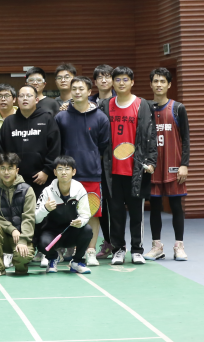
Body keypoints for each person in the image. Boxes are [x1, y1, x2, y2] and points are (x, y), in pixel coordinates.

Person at [97, 66, 157, 265]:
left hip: (136, 169)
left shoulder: (143, 105)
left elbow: (151, 136)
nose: (121, 83)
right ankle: (118, 249)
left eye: (125, 79)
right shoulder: (105, 105)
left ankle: (137, 250)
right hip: (111, 170)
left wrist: (151, 161)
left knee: (137, 212)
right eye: (117, 79)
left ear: (132, 82)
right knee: (115, 213)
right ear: (112, 83)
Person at [55, 76, 110, 266]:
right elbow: (57, 145)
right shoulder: (61, 117)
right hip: (66, 175)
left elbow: (103, 146)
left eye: (81, 89)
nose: (77, 92)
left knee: (92, 213)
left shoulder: (100, 117)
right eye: (74, 89)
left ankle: (90, 251)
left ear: (89, 92)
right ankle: (68, 247)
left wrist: (90, 158)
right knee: (65, 213)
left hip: (91, 174)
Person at [146, 67, 190, 261]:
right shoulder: (145, 109)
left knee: (175, 205)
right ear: (151, 84)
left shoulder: (178, 108)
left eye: (162, 81)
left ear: (169, 84)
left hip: (174, 165)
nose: (159, 85)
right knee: (154, 207)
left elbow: (186, 139)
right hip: (153, 166)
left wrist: (184, 164)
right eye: (155, 81)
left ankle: (179, 246)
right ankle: (157, 246)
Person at [0, 85, 61, 200]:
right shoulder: (9, 122)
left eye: (28, 96)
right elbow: (2, 150)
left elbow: (55, 147)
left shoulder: (47, 119)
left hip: (41, 178)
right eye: (21, 96)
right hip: (14, 179)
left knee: (42, 209)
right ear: (17, 100)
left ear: (36, 100)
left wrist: (47, 171)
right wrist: (8, 172)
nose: (25, 98)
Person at [34, 156, 93, 274]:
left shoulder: (79, 189)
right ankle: (53, 258)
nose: (64, 172)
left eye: (67, 169)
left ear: (73, 172)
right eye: (60, 169)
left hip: (71, 231)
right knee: (41, 242)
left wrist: (80, 222)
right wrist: (45, 208)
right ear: (55, 172)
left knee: (87, 230)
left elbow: (85, 214)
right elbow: (35, 218)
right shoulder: (47, 191)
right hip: (51, 233)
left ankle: (77, 262)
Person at [0, 153, 36, 277]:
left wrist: (23, 240)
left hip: (21, 237)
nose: (6, 172)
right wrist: (11, 229)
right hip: (2, 238)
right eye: (3, 168)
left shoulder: (27, 190)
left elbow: (29, 217)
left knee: (23, 257)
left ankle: (19, 264)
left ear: (17, 170)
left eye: (10, 168)